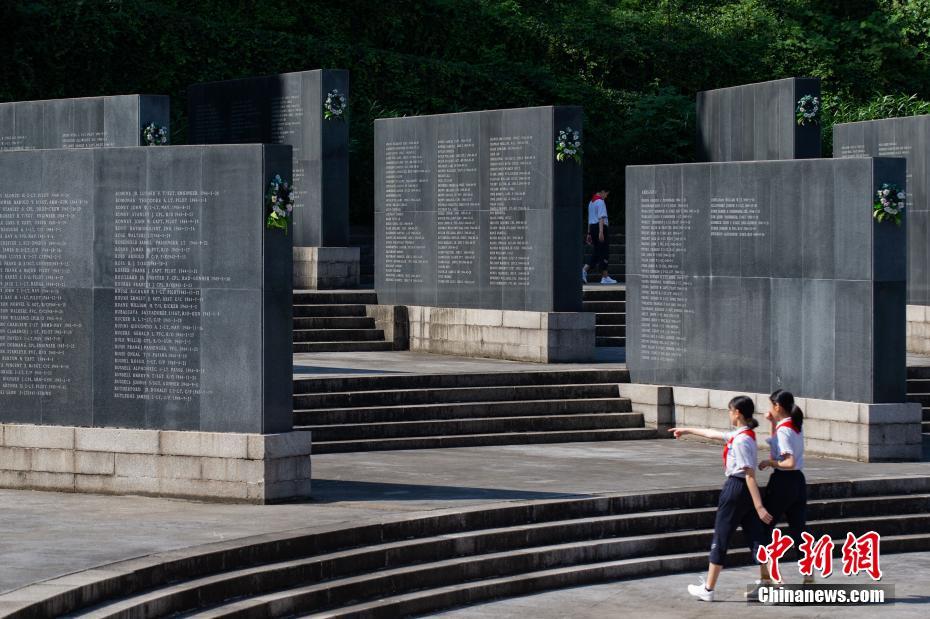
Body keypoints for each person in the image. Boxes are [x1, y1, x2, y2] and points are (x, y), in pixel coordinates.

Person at [668, 396, 773, 602]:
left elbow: (749, 474)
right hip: (744, 491)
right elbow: (711, 433)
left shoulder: (741, 440)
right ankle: (767, 581)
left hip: (736, 488)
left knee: (722, 536)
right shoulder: (745, 434)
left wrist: (759, 506)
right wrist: (686, 429)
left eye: (730, 410)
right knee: (756, 537)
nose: (728, 413)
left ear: (738, 414)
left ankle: (708, 588)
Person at [754, 389, 812, 588]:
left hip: (783, 482)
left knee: (764, 527)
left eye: (772, 405)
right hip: (798, 482)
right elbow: (777, 446)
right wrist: (772, 423)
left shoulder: (784, 430)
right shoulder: (795, 425)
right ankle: (809, 578)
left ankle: (768, 578)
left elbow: (788, 461)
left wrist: (770, 463)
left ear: (777, 406)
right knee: (799, 530)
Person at [583, 190, 617, 285]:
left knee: (597, 252)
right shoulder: (600, 202)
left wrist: (589, 233)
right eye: (606, 194)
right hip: (600, 228)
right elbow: (601, 217)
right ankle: (605, 277)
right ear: (602, 192)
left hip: (593, 228)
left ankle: (585, 270)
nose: (606, 196)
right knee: (604, 252)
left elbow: (590, 219)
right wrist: (601, 232)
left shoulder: (591, 202)